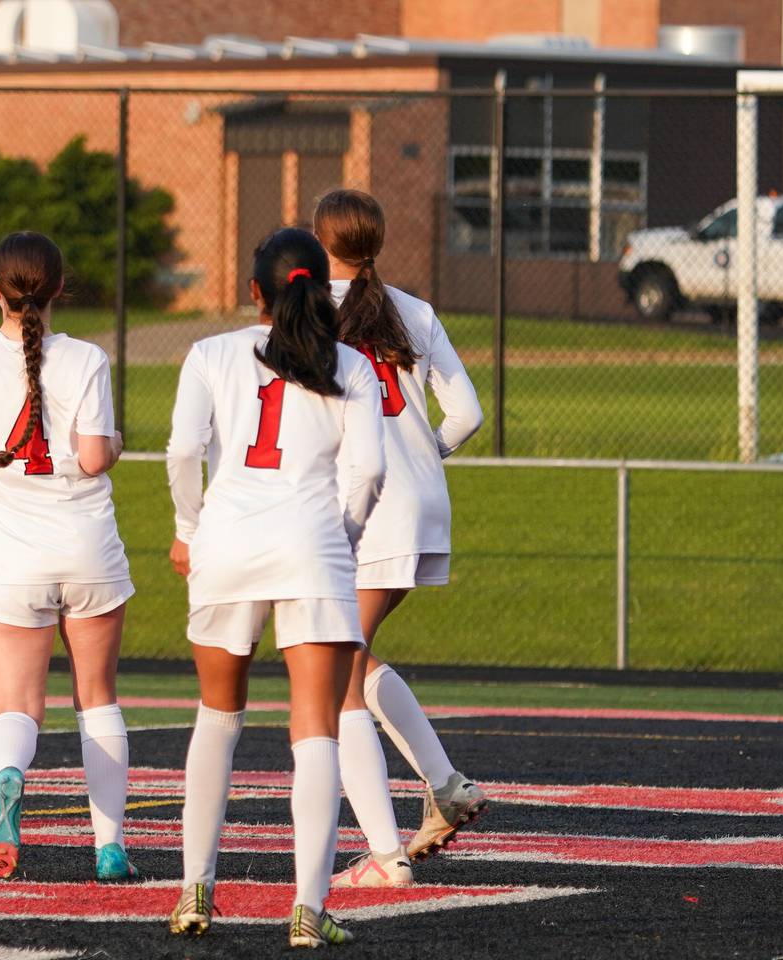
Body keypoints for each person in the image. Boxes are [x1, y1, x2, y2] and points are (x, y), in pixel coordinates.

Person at [165, 228, 385, 949]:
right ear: (325, 290)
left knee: (217, 718)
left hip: (226, 546)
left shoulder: (210, 352)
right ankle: (307, 908)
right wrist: (341, 539)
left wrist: (188, 528)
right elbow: (368, 475)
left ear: (253, 291)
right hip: (312, 547)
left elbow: (183, 451)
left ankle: (195, 886)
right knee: (314, 730)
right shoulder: (350, 363)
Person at [0, 232, 135, 882]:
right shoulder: (86, 358)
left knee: (16, 707)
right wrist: (119, 444)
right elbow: (97, 456)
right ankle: (109, 848)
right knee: (97, 698)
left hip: (10, 557)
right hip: (86, 548)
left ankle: (11, 776)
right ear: (58, 290)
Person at [312, 190, 487, 887]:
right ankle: (445, 789)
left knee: (333, 680)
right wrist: (424, 456)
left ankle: (387, 857)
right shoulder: (413, 309)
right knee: (354, 659)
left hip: (363, 506)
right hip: (419, 502)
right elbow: (467, 414)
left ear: (319, 240)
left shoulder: (307, 310)